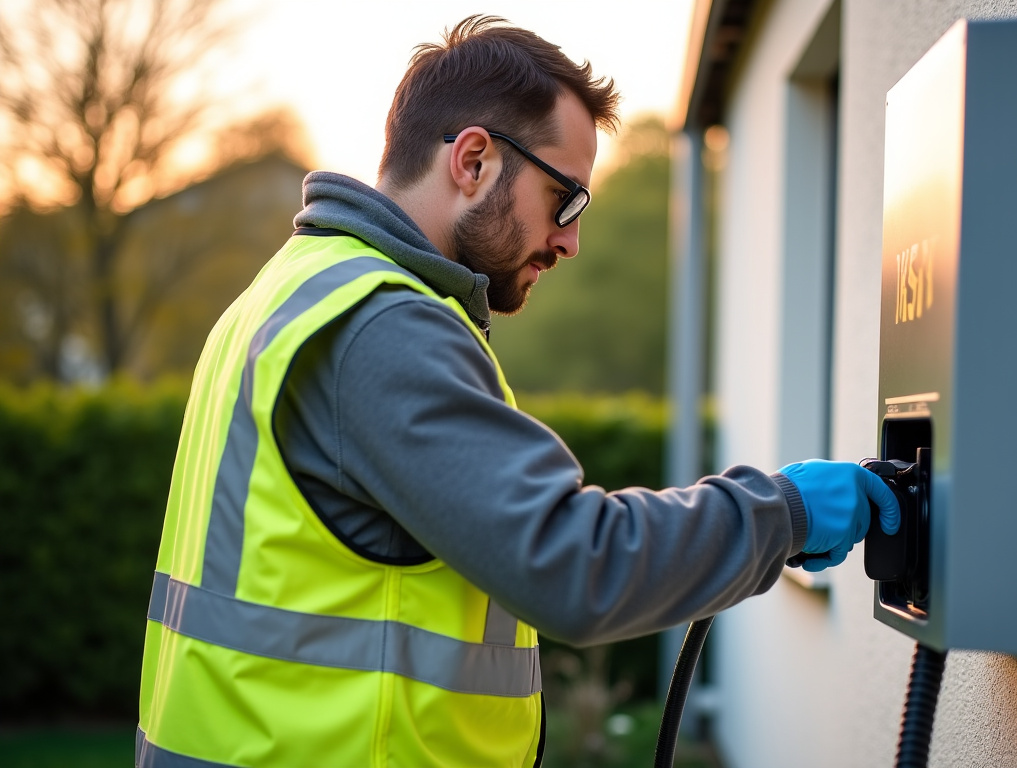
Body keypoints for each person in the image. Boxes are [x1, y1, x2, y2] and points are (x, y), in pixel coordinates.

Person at [136, 15, 898, 768]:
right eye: (566, 199)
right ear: (473, 160)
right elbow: (575, 565)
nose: (570, 239)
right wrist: (785, 511)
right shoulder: (383, 327)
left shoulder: (286, 294)